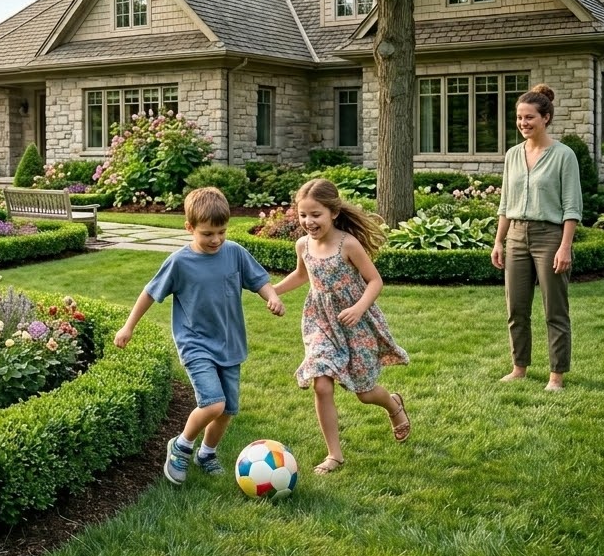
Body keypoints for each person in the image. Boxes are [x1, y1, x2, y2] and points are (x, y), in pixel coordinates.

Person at [114, 186, 285, 484]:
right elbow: (149, 294)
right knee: (213, 403)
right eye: (207, 233)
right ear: (189, 228)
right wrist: (129, 326)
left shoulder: (234, 253)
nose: (216, 239)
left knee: (227, 410)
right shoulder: (179, 262)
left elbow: (259, 280)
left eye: (222, 231)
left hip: (230, 343)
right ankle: (181, 446)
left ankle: (207, 453)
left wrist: (271, 296)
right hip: (196, 344)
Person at [273, 178, 410, 474]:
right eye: (303, 215)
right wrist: (272, 291)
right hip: (320, 322)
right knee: (321, 384)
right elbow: (300, 276)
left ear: (333, 212)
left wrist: (359, 308)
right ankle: (334, 454)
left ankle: (394, 405)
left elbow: (375, 281)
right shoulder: (303, 245)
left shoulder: (348, 244)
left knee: (364, 391)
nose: (308, 222)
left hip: (355, 323)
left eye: (315, 214)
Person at [491, 83, 583, 392]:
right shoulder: (513, 155)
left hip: (549, 236)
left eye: (529, 117)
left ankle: (556, 375)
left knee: (554, 309)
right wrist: (499, 241)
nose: (523, 123)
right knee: (516, 309)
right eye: (519, 118)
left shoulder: (563, 156)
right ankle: (519, 368)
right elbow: (506, 202)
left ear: (546, 118)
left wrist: (565, 246)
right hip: (516, 234)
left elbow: (572, 206)